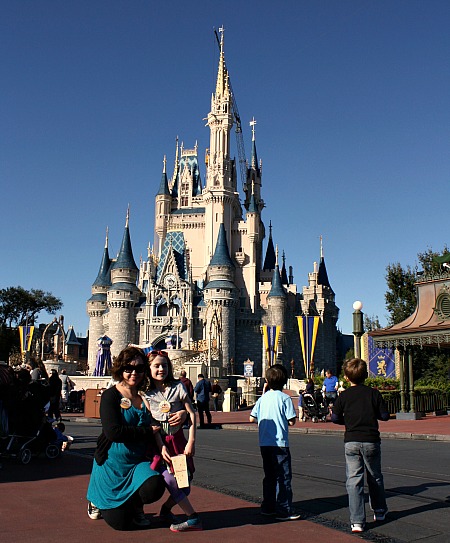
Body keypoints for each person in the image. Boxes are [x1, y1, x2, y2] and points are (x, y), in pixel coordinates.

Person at [86, 346, 176, 530]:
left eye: (140, 369)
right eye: (129, 368)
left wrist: (183, 414)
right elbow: (113, 432)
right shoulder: (111, 395)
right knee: (122, 524)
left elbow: (170, 409)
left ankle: (136, 506)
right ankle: (96, 501)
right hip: (113, 465)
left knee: (155, 487)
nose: (134, 373)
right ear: (121, 369)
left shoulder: (147, 395)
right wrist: (146, 431)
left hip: (137, 462)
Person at [145, 350, 202, 532]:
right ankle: (193, 518)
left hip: (178, 442)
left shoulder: (178, 387)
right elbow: (152, 423)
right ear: (149, 369)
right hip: (161, 445)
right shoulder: (146, 394)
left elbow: (192, 413)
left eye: (164, 365)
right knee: (171, 480)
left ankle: (165, 510)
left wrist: (191, 440)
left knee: (185, 486)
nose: (161, 369)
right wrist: (160, 446)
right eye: (156, 366)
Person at [331, 358, 390, 534]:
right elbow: (385, 416)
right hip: (371, 440)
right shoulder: (373, 394)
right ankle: (379, 511)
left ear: (347, 378)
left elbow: (334, 418)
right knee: (375, 476)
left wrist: (346, 420)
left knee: (354, 480)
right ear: (366, 375)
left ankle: (357, 521)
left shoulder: (344, 396)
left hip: (351, 441)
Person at [249, 364, 300, 521]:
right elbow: (292, 422)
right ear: (284, 381)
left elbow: (252, 418)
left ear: (267, 380)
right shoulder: (285, 398)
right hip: (280, 444)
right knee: (283, 477)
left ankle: (268, 507)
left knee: (269, 476)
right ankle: (283, 509)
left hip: (264, 443)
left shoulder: (263, 398)